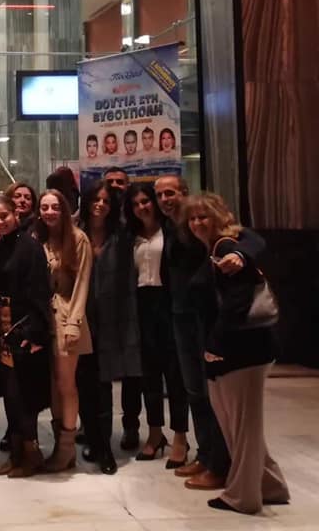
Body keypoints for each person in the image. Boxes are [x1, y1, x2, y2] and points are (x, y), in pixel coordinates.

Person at [181, 193, 289, 515]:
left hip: (241, 350)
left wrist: (215, 346)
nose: (197, 223)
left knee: (242, 428)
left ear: (218, 216)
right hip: (236, 350)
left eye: (203, 216)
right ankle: (270, 485)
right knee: (239, 425)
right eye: (192, 218)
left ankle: (242, 496)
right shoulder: (218, 248)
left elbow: (237, 302)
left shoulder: (226, 248)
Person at [155, 175, 235, 491]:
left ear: (184, 193)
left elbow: (247, 239)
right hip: (180, 317)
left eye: (170, 193)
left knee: (212, 392)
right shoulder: (169, 227)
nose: (164, 199)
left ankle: (220, 464)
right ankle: (206, 455)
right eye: (160, 195)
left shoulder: (203, 228)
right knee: (195, 392)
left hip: (205, 320)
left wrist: (239, 255)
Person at [121, 182, 190, 467]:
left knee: (175, 375)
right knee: (148, 374)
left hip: (168, 304)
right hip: (141, 305)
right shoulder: (129, 236)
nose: (142, 207)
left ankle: (181, 438)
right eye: (136, 204)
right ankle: (154, 433)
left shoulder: (172, 230)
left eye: (146, 201)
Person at [74, 182, 140, 475]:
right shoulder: (75, 233)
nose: (100, 205)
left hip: (113, 319)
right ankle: (92, 437)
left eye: (106, 201)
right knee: (85, 383)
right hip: (80, 319)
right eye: (95, 199)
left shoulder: (122, 236)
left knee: (103, 384)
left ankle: (104, 447)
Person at [0, 195, 52, 478]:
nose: (0, 221)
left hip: (25, 329)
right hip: (4, 328)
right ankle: (16, 454)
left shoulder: (30, 246)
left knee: (25, 395)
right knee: (10, 394)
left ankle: (31, 454)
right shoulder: (0, 246)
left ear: (15, 214)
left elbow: (40, 290)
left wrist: (36, 331)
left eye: (4, 216)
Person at [34, 189, 92, 473]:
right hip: (45, 318)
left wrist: (74, 323)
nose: (49, 212)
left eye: (55, 207)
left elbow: (82, 283)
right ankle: (60, 445)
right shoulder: (40, 239)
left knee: (66, 384)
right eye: (44, 207)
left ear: (64, 209)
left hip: (68, 317)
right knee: (53, 385)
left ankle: (67, 449)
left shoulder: (78, 239)